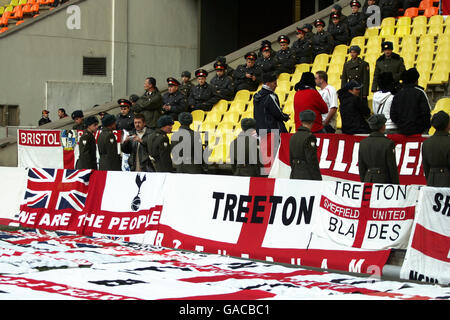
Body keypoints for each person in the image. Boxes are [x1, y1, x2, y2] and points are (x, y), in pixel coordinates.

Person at [358, 114, 399, 184]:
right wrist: (396, 185)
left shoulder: (363, 143)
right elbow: (392, 168)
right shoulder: (388, 143)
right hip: (384, 181)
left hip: (367, 180)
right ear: (383, 127)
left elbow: (361, 167)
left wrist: (364, 181)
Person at [390, 68, 431, 135]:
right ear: (415, 80)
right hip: (419, 131)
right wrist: (424, 127)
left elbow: (393, 114)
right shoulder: (420, 92)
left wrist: (401, 125)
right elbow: (426, 113)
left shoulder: (398, 94)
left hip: (402, 131)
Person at [289, 110, 322, 181]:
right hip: (306, 175)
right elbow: (312, 160)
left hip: (294, 173)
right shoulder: (310, 137)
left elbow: (291, 158)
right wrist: (318, 179)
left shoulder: (293, 136)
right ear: (312, 122)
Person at [422, 111, 450, 187]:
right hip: (447, 181)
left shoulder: (426, 143)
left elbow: (426, 167)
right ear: (447, 124)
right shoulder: (448, 141)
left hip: (431, 180)